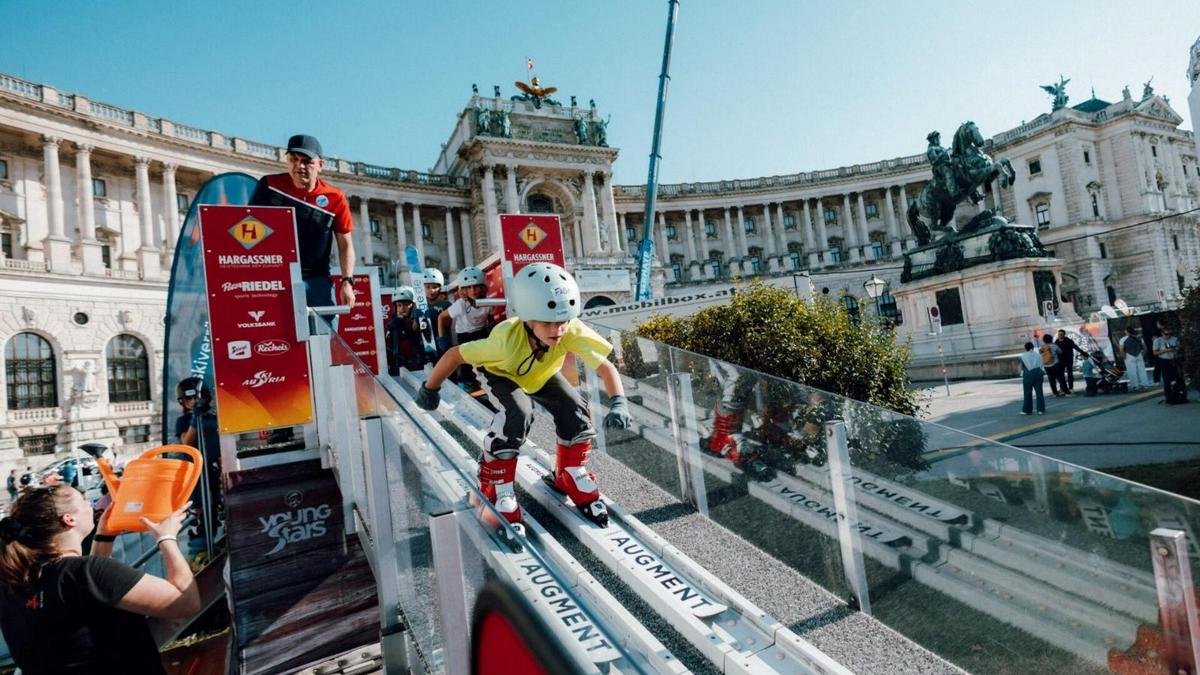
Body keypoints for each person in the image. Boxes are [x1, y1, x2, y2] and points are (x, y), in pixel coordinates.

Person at [414, 263, 633, 527]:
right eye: (548, 323)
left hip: (542, 373)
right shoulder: (503, 342)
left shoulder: (569, 330)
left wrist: (619, 403)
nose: (558, 330)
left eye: (563, 321)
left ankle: (568, 472)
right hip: (501, 373)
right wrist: (430, 388)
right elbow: (453, 355)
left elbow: (605, 367)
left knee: (575, 408)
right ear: (527, 318)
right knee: (517, 414)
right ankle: (495, 484)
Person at [0, 485, 199, 674]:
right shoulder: (84, 573)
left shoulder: (15, 582)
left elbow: (92, 596)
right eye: (84, 501)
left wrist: (104, 536)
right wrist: (167, 538)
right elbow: (184, 603)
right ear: (69, 519)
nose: (92, 505)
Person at [249, 134, 356, 317]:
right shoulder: (268, 186)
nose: (299, 166)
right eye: (293, 159)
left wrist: (347, 282)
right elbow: (249, 229)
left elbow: (345, 243)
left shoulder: (335, 198)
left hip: (316, 279)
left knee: (325, 334)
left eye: (307, 161)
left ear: (320, 165)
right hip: (275, 278)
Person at [173, 377, 222, 559]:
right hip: (194, 473)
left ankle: (211, 548)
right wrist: (195, 418)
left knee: (214, 510)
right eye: (189, 399)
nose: (194, 402)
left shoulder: (214, 418)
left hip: (212, 469)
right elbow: (186, 441)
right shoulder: (184, 420)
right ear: (183, 401)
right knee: (198, 513)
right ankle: (197, 554)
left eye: (197, 398)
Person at [438, 266, 494, 388]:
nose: (473, 290)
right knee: (466, 360)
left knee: (486, 359)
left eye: (476, 286)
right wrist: (441, 338)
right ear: (463, 290)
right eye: (468, 287)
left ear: (482, 287)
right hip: (465, 334)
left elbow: (491, 318)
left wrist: (493, 329)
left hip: (481, 331)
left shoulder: (488, 302)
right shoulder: (460, 305)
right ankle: (466, 383)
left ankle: (487, 384)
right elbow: (441, 317)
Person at [413, 268, 448, 363]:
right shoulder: (418, 305)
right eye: (427, 287)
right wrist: (417, 317)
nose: (431, 290)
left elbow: (449, 325)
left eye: (434, 287)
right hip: (425, 344)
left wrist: (436, 317)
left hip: (441, 343)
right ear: (422, 288)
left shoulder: (445, 304)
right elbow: (415, 328)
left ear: (440, 288)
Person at [386, 287, 424, 375]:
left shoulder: (418, 314)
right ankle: (395, 368)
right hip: (402, 357)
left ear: (413, 305)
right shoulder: (396, 320)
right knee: (395, 323)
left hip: (420, 354)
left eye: (406, 305)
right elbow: (390, 327)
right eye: (399, 305)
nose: (402, 308)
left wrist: (416, 320)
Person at [1154, 323, 1188, 404]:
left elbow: (1180, 348)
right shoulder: (1158, 341)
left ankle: (1182, 396)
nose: (1168, 335)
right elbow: (1155, 352)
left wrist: (1177, 348)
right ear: (1162, 334)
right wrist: (1167, 350)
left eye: (1170, 334)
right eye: (1166, 334)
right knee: (1167, 380)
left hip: (1174, 359)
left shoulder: (1174, 339)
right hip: (1164, 360)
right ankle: (1169, 397)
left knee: (1179, 378)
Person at [1019, 341, 1046, 415]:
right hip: (1038, 373)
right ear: (1033, 348)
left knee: (1027, 392)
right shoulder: (1038, 355)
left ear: (1025, 348)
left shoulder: (1023, 355)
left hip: (1028, 373)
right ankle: (1040, 410)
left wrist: (1022, 374)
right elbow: (1041, 365)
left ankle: (1027, 410)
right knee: (1039, 392)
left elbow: (1022, 366)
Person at [1121, 325, 1150, 391]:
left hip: (1129, 356)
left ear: (1126, 331)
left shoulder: (1123, 339)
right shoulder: (1139, 338)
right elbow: (1145, 348)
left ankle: (1135, 386)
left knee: (1132, 371)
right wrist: (1143, 354)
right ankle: (1145, 385)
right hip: (1139, 354)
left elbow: (1121, 349)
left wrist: (1124, 356)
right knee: (1142, 370)